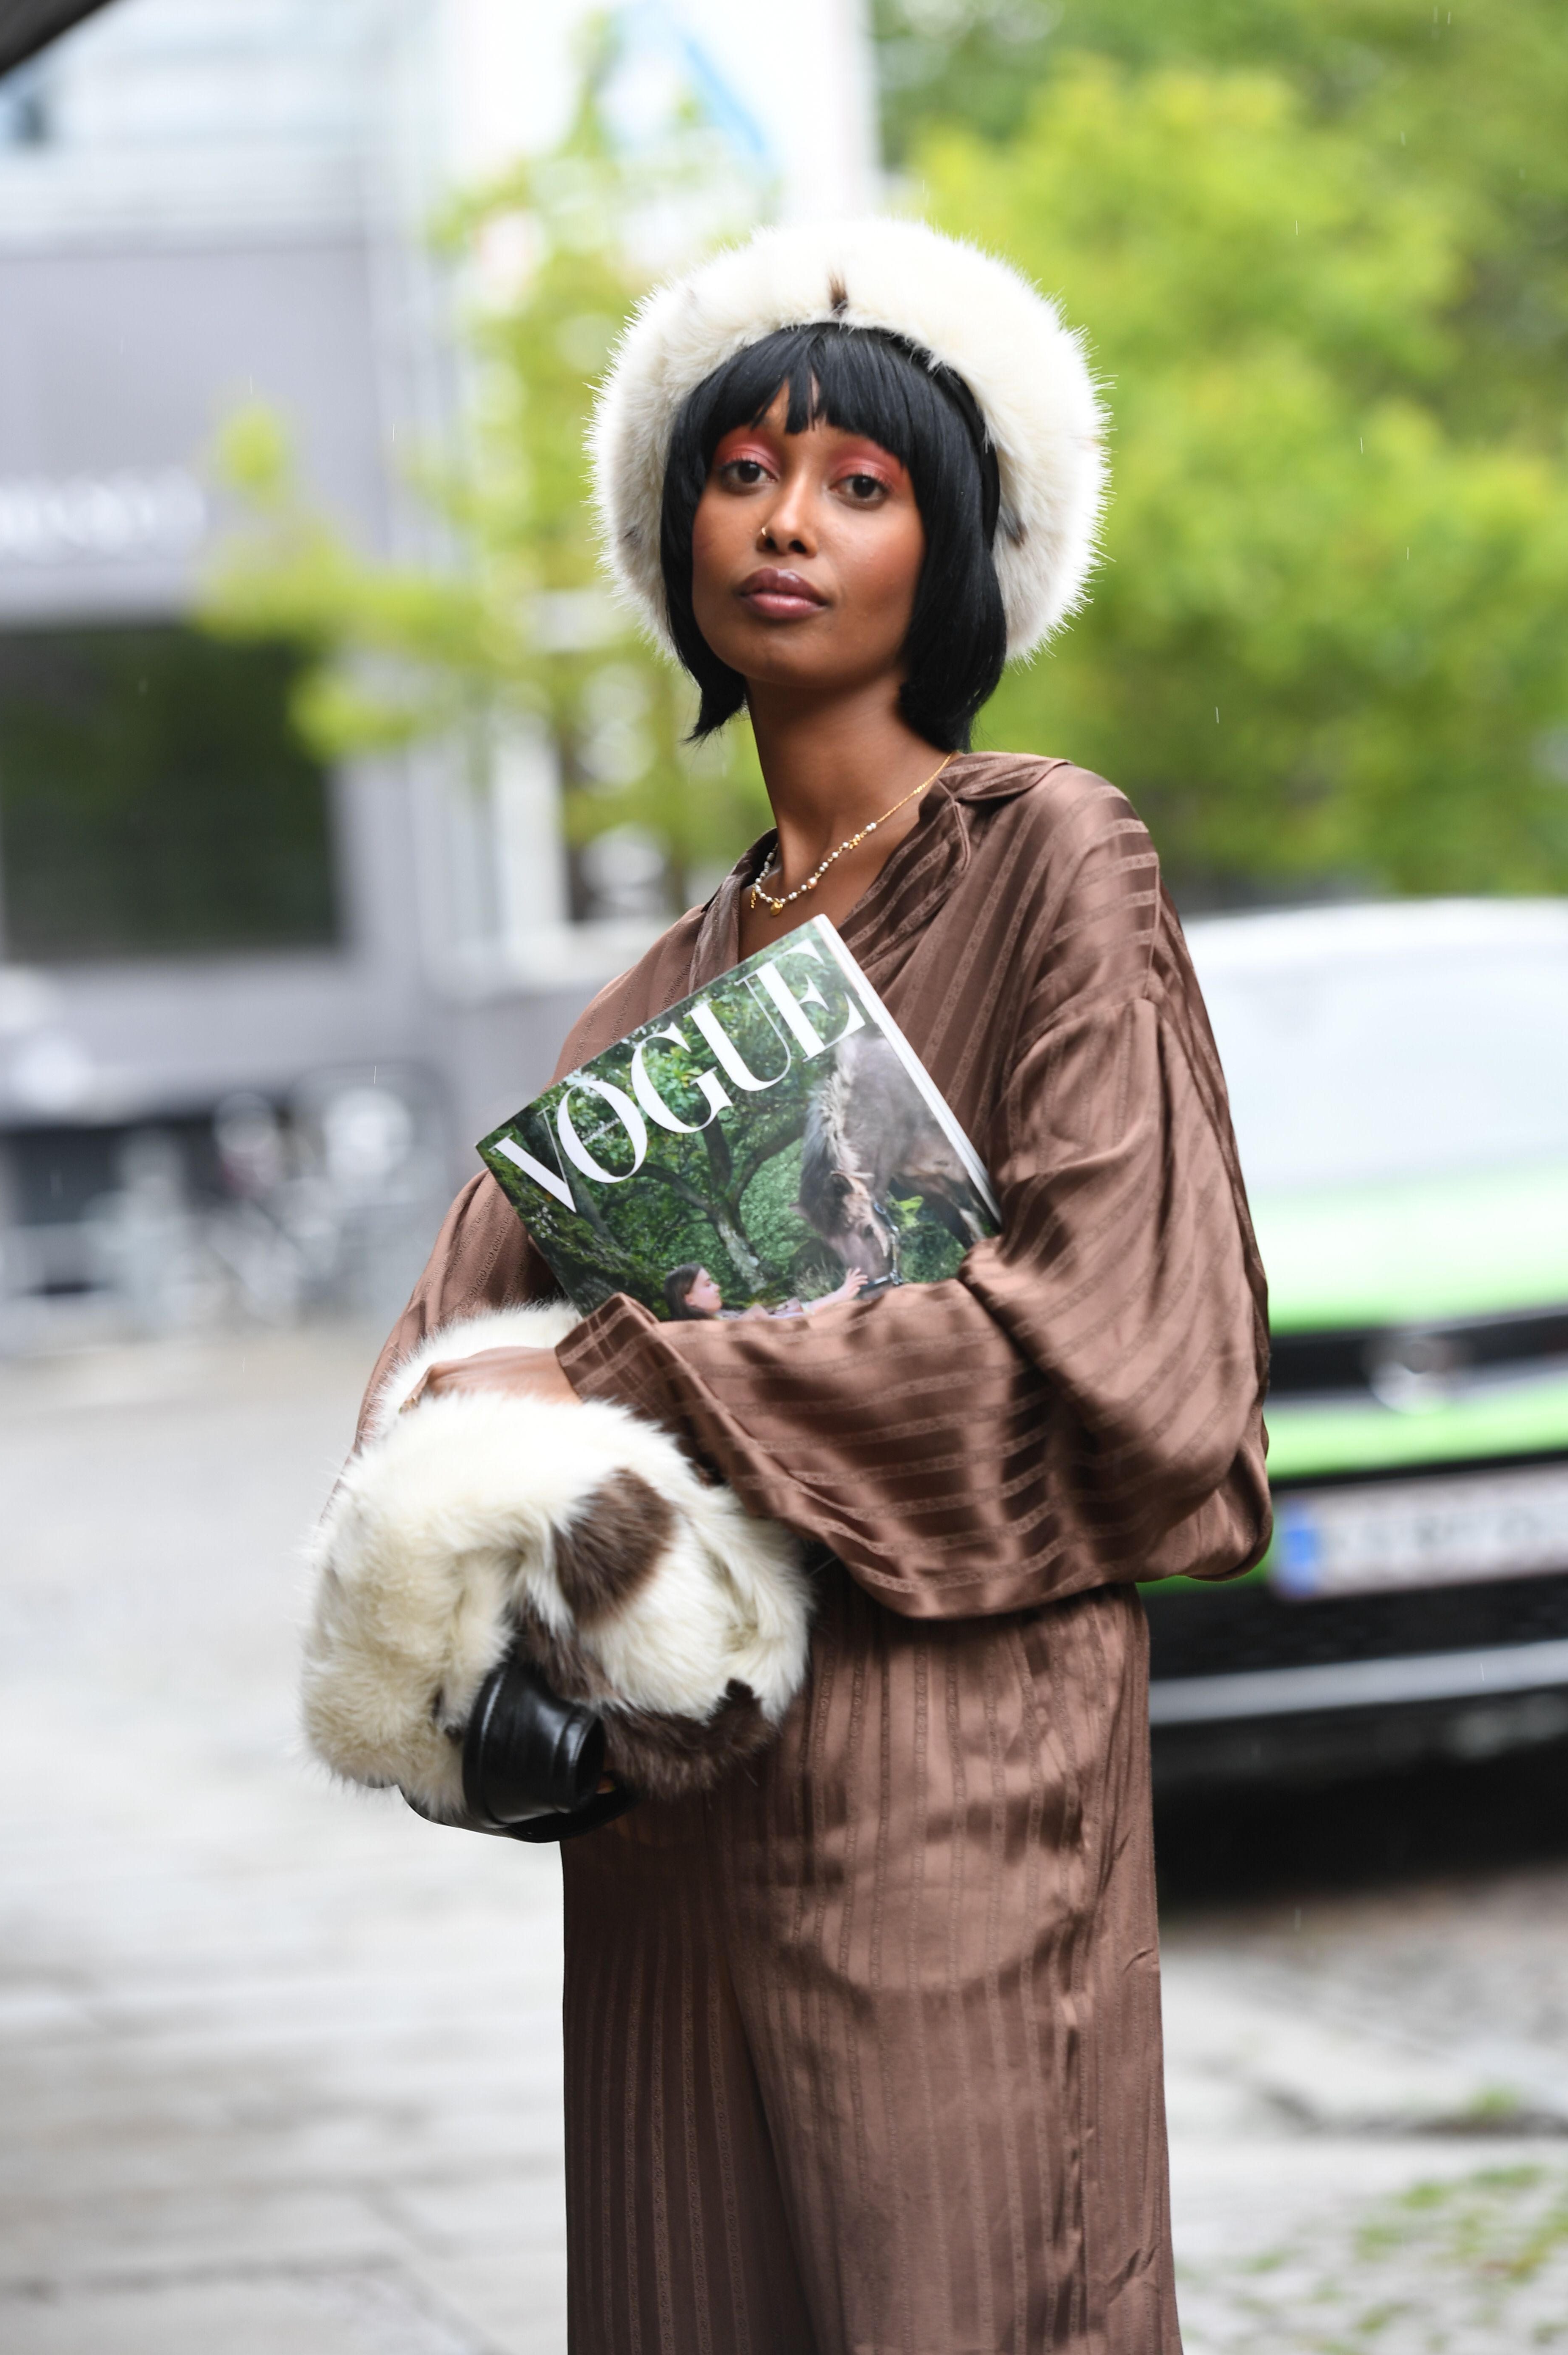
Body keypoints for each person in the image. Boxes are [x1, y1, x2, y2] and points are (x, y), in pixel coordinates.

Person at [361, 219, 1270, 2354]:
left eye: (859, 484)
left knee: (961, 2289)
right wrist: (465, 1438)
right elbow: (444, 1371)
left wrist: (619, 1381)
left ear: (952, 557)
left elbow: (1123, 1346)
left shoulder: (1052, 859)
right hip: (679, 1818)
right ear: (672, 527)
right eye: (740, 466)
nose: (783, 519)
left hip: (958, 1782)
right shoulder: (646, 999)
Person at [664, 1260, 868, 1321]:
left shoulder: (724, 1318)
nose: (718, 1287)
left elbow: (789, 1316)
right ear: (689, 1300)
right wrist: (836, 1297)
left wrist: (837, 1296)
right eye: (708, 1285)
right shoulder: (715, 1331)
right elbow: (786, 1322)